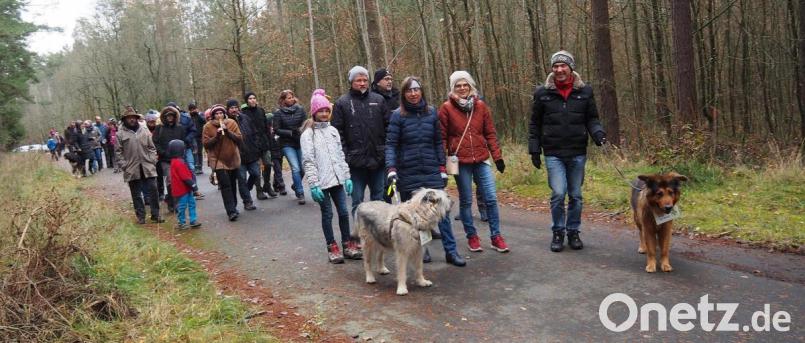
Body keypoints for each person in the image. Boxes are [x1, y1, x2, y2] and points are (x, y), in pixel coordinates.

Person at [529, 50, 606, 252]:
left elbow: (592, 119)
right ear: (552, 69)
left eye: (563, 66)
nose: (559, 69)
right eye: (556, 66)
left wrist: (598, 133)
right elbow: (534, 124)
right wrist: (534, 149)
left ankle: (573, 231)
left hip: (577, 151)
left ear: (571, 68)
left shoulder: (585, 91)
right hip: (553, 152)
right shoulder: (542, 93)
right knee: (558, 193)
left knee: (576, 195)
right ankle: (558, 231)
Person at [386, 76, 465, 266]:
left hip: (430, 169)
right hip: (408, 171)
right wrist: (391, 169)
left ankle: (451, 251)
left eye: (416, 90)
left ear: (421, 91)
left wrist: (441, 168)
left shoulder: (431, 113)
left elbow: (438, 142)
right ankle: (423, 250)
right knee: (415, 215)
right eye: (409, 91)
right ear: (404, 94)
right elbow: (391, 144)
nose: (413, 94)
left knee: (442, 212)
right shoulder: (398, 115)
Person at [438, 71, 509, 253]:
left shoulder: (480, 106)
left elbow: (490, 133)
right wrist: (441, 164)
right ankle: (472, 236)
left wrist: (497, 156)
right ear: (453, 88)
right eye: (458, 85)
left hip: (481, 159)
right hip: (460, 161)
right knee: (466, 201)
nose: (462, 88)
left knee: (491, 198)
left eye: (465, 85)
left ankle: (496, 236)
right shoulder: (446, 108)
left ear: (471, 86)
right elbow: (442, 138)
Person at [301, 89, 362, 263]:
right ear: (314, 112)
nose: (324, 113)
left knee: (343, 212)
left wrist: (347, 177)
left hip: (336, 180)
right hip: (321, 182)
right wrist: (313, 184)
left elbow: (340, 156)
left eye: (327, 110)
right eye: (321, 111)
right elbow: (308, 161)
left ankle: (347, 244)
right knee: (327, 214)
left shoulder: (333, 131)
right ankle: (332, 246)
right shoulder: (308, 135)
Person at [331, 66, 389, 215]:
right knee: (357, 202)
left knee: (379, 200)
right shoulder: (342, 103)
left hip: (378, 160)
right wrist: (347, 156)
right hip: (355, 163)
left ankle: (379, 234)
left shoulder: (379, 100)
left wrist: (386, 152)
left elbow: (389, 127)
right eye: (358, 80)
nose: (362, 83)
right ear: (351, 82)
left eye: (365, 80)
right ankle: (359, 235)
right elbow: (337, 134)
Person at [115, 109, 164, 224]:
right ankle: (141, 216)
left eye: (134, 117)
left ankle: (155, 215)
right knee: (136, 194)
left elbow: (152, 147)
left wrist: (152, 159)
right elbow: (118, 152)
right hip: (131, 168)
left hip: (147, 166)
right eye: (129, 117)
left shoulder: (144, 130)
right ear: (125, 119)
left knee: (153, 190)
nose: (132, 119)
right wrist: (124, 165)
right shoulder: (120, 133)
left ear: (137, 118)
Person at [202, 104, 243, 221]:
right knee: (225, 185)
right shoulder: (208, 126)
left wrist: (228, 131)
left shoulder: (232, 123)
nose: (219, 116)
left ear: (224, 114)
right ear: (213, 115)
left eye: (221, 113)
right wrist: (217, 136)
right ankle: (230, 211)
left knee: (232, 183)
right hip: (217, 158)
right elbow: (206, 144)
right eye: (216, 114)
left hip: (232, 157)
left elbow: (239, 138)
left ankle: (234, 206)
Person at [273, 90, 308, 204]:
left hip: (300, 142)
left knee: (302, 168)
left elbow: (306, 124)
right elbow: (276, 129)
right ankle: (300, 192)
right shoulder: (278, 113)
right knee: (295, 168)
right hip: (287, 143)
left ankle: (295, 185)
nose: (291, 99)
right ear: (283, 100)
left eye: (292, 97)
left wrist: (301, 131)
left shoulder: (300, 109)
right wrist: (290, 133)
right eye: (288, 98)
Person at [242, 92, 277, 199]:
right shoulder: (244, 113)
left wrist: (269, 140)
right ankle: (259, 190)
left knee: (268, 164)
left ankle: (267, 185)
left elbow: (266, 127)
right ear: (246, 101)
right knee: (256, 169)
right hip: (252, 144)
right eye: (250, 98)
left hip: (264, 142)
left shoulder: (261, 110)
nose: (252, 100)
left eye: (254, 98)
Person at [226, 98, 258, 211]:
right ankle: (247, 201)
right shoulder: (227, 122)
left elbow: (254, 133)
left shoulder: (245, 118)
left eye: (235, 107)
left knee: (255, 174)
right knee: (241, 178)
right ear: (228, 110)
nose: (234, 110)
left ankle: (246, 189)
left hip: (251, 152)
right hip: (238, 155)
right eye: (231, 108)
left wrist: (256, 146)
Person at [168, 139, 202, 230]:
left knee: (192, 203)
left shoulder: (176, 161)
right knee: (182, 206)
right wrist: (195, 187)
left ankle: (193, 220)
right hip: (182, 190)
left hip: (187, 189)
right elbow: (186, 178)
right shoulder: (179, 163)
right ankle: (181, 222)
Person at [265, 109, 286, 195]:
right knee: (277, 169)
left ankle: (275, 184)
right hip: (272, 151)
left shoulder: (278, 128)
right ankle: (282, 187)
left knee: (279, 168)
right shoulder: (266, 131)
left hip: (279, 150)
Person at [188, 103, 206, 174]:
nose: (193, 111)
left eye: (194, 109)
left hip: (200, 136)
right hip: (193, 137)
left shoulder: (200, 116)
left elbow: (204, 121)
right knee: (195, 152)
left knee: (199, 152)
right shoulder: (189, 117)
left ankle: (200, 167)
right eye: (191, 110)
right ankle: (196, 167)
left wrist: (197, 114)